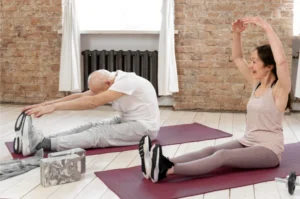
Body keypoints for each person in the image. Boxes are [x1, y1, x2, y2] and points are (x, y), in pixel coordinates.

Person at [139, 16, 291, 183]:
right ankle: (158, 163)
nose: (250, 65)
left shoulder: (279, 90)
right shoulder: (256, 83)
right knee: (210, 149)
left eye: (255, 62)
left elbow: (282, 62)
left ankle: (166, 170)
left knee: (222, 155)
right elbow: (238, 58)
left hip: (269, 150)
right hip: (248, 141)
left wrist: (267, 27)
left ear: (269, 66)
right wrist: (236, 33)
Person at [15, 69, 160, 156]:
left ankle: (42, 144)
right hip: (127, 120)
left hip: (144, 128)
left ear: (108, 84)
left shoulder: (127, 81)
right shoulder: (112, 80)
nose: (95, 93)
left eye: (97, 91)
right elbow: (82, 96)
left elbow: (92, 102)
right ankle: (39, 140)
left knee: (98, 133)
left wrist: (55, 108)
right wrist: (48, 104)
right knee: (88, 126)